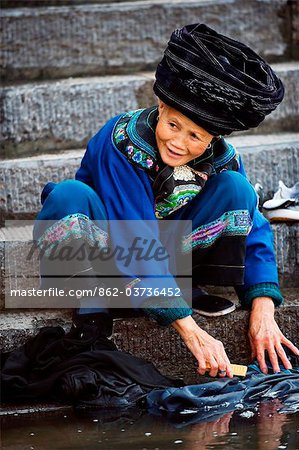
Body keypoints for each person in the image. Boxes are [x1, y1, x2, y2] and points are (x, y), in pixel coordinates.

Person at [33, 24, 299, 379]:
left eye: (195, 136)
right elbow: (133, 235)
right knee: (70, 195)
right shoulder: (123, 142)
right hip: (109, 252)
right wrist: (191, 332)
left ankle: (183, 286)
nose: (179, 143)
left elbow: (255, 228)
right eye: (173, 125)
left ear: (213, 138)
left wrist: (262, 309)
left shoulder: (222, 157)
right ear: (160, 106)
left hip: (159, 258)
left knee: (237, 189)